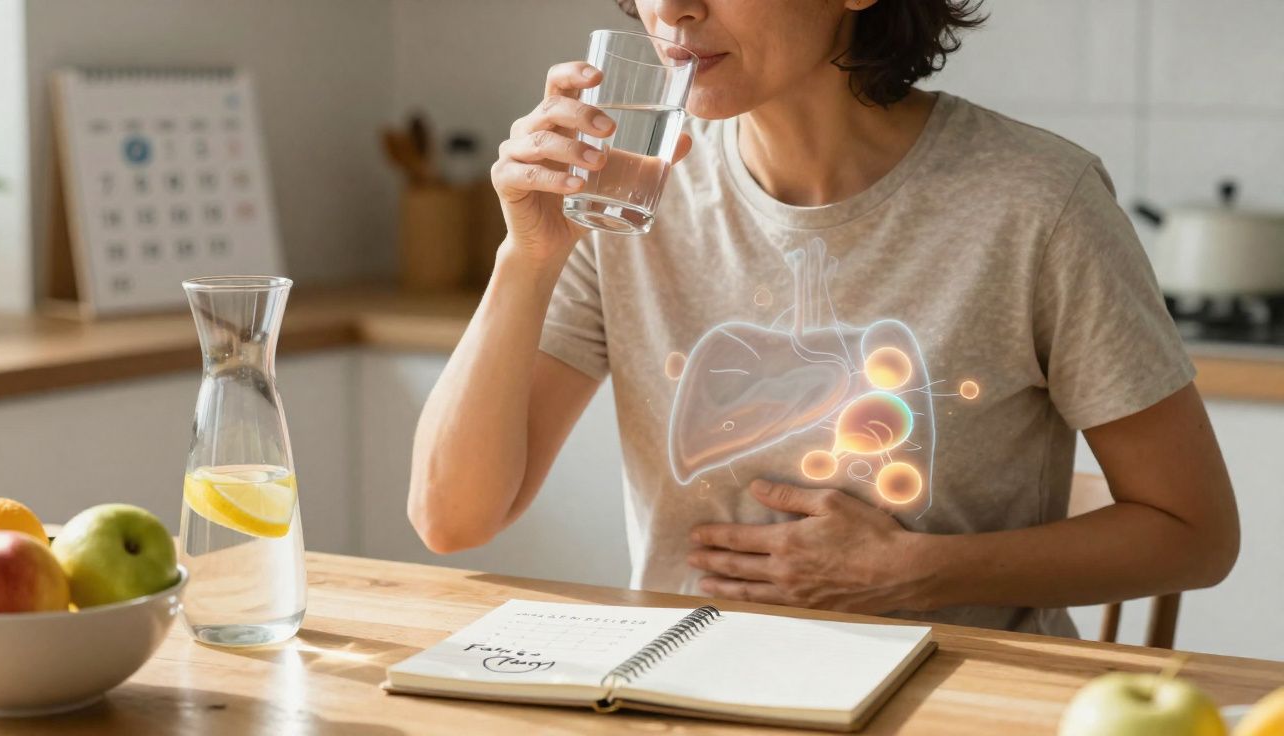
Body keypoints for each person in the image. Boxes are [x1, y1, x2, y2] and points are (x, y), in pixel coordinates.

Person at [407, 0, 1240, 637]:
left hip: (961, 700)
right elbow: (451, 518)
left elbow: (1195, 533)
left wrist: (918, 571)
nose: (674, 8)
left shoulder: (1035, 204)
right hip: (689, 693)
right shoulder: (633, 193)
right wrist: (527, 256)